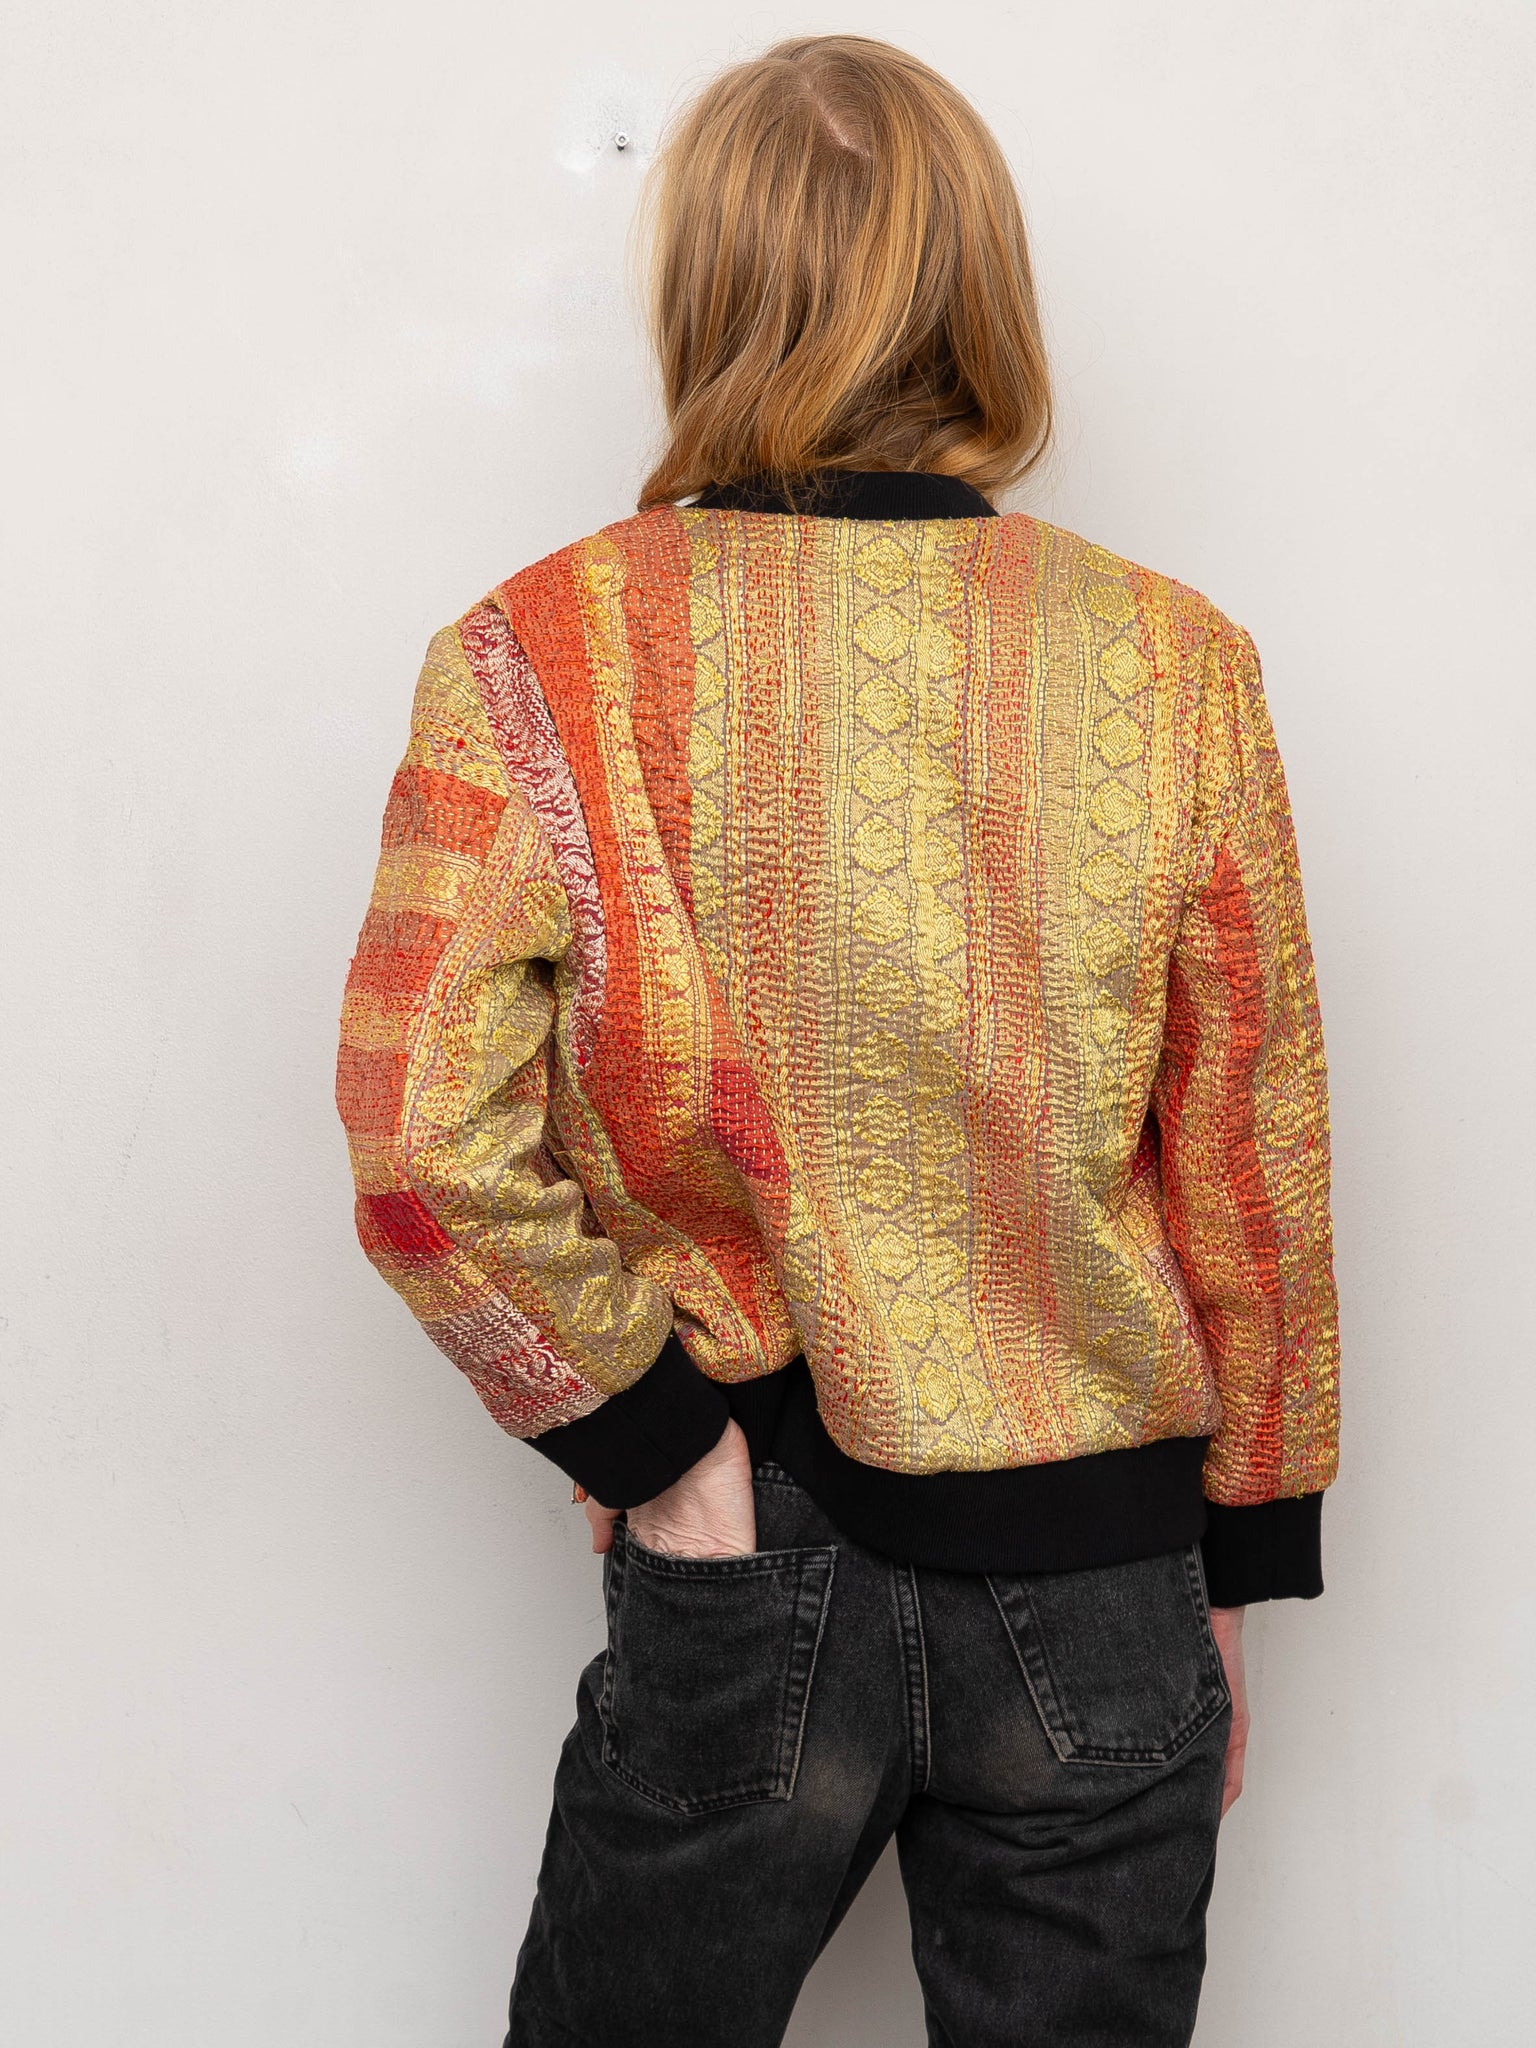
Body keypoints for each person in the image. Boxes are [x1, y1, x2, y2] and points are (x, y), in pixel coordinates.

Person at [334, 33, 1340, 2048]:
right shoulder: (1176, 664)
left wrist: (657, 1454)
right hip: (1104, 1567)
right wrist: (1232, 1558)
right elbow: (1255, 1158)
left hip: (751, 1543)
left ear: (706, 286)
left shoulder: (541, 653)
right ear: (980, 287)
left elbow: (415, 1126)